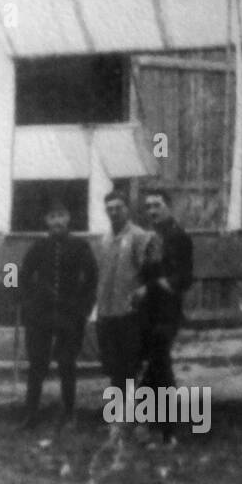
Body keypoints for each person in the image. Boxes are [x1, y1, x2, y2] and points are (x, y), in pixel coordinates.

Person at [18, 197, 99, 429]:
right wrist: (25, 301)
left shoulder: (80, 246)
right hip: (40, 316)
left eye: (61, 216)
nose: (57, 221)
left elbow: (93, 279)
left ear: (68, 219)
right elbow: (18, 274)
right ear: (46, 221)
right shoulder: (37, 247)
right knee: (37, 365)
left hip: (70, 315)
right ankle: (30, 414)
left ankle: (69, 414)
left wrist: (83, 308)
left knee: (67, 364)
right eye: (52, 217)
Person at [141, 189, 194, 441]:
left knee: (160, 366)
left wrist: (164, 283)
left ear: (168, 207)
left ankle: (167, 429)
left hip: (167, 311)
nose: (152, 211)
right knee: (154, 365)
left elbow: (186, 278)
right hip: (147, 311)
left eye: (157, 205)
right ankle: (152, 424)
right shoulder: (148, 238)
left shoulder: (180, 237)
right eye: (148, 206)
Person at [93, 190, 158, 389]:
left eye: (118, 208)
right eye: (109, 209)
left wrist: (144, 293)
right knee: (113, 369)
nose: (114, 212)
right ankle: (119, 414)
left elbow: (153, 274)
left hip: (130, 314)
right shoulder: (104, 240)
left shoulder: (140, 237)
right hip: (107, 313)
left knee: (131, 367)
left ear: (127, 209)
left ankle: (133, 415)